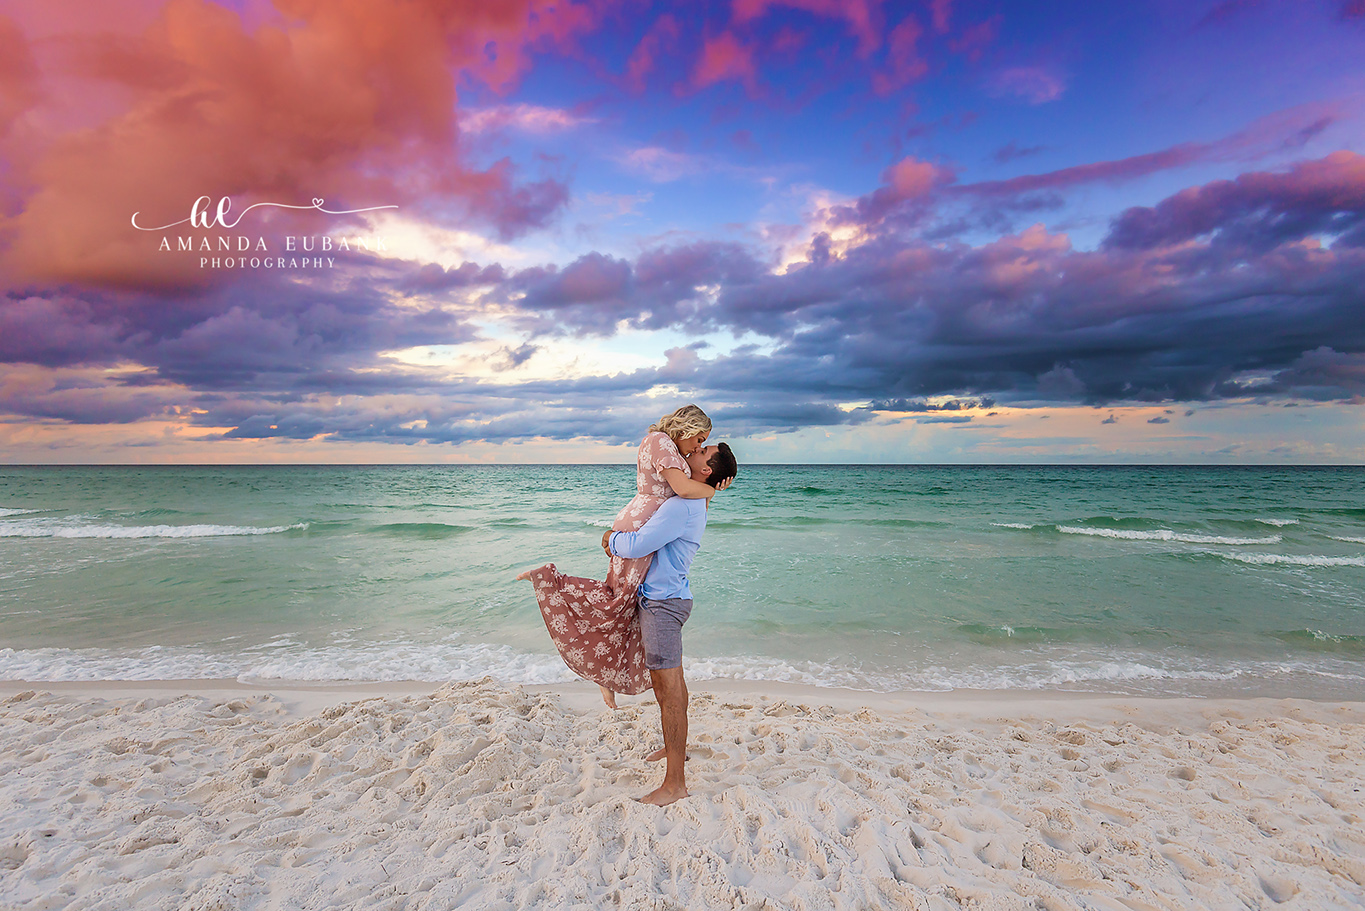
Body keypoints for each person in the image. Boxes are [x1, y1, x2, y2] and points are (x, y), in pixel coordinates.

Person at [516, 405, 729, 708]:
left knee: (622, 602)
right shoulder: (661, 443)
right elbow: (682, 489)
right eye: (700, 439)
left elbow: (689, 501)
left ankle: (605, 679)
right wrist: (712, 491)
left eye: (702, 445)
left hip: (643, 525)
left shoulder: (668, 446)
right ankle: (549, 580)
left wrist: (712, 484)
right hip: (639, 529)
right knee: (615, 601)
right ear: (687, 428)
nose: (697, 447)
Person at [603, 441, 737, 806]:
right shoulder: (697, 500)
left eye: (700, 450)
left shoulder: (682, 505)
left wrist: (610, 540)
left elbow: (640, 544)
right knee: (671, 688)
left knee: (670, 693)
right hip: (670, 598)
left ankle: (675, 783)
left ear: (706, 470)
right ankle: (674, 748)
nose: (692, 451)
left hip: (662, 605)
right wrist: (712, 488)